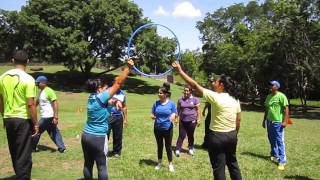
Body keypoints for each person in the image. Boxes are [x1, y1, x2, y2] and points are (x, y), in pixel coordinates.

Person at [172, 62, 242, 180]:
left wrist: (180, 71)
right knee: (233, 164)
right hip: (232, 136)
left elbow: (194, 85)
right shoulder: (235, 100)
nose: (213, 82)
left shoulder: (215, 96)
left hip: (217, 137)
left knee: (218, 168)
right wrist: (234, 134)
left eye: (216, 81)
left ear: (221, 85)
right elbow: (238, 120)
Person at [81, 59, 133, 180]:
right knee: (102, 166)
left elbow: (107, 102)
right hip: (98, 137)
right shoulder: (101, 96)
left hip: (86, 135)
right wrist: (128, 68)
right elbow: (118, 83)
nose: (106, 89)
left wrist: (115, 102)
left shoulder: (92, 98)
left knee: (88, 164)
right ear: (99, 89)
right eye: (104, 88)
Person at [0, 50, 39, 179]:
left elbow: (0, 100)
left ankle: (19, 175)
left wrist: (4, 115)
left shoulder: (3, 77)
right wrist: (36, 123)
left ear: (12, 61)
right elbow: (31, 105)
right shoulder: (28, 79)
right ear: (27, 62)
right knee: (24, 153)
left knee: (14, 151)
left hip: (8, 118)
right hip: (22, 120)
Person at [32, 75, 66, 153]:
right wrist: (32, 107)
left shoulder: (49, 91)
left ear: (44, 83)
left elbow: (55, 103)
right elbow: (37, 101)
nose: (37, 84)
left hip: (47, 116)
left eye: (38, 83)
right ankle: (62, 148)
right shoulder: (41, 92)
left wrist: (56, 117)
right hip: (47, 116)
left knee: (37, 130)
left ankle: (32, 147)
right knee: (54, 132)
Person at [262, 80, 290, 171]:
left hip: (278, 122)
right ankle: (274, 155)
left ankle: (282, 161)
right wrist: (264, 120)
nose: (270, 86)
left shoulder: (281, 96)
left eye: (272, 85)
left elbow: (286, 109)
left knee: (279, 141)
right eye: (270, 85)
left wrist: (285, 121)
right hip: (269, 122)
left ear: (277, 87)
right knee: (271, 139)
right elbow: (267, 109)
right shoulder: (268, 96)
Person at [151, 82, 177, 172]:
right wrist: (152, 116)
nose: (159, 94)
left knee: (168, 146)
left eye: (161, 93)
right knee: (159, 146)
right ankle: (159, 162)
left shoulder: (171, 104)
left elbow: (174, 113)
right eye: (158, 93)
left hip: (168, 128)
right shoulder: (156, 103)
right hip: (157, 128)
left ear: (165, 94)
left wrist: (173, 116)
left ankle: (170, 164)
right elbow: (152, 113)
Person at [175, 84, 200, 157]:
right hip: (182, 120)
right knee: (181, 135)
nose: (185, 92)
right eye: (184, 90)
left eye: (187, 91)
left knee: (190, 135)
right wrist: (176, 118)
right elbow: (178, 109)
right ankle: (178, 149)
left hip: (192, 120)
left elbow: (198, 110)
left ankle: (191, 148)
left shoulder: (195, 99)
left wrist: (198, 119)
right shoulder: (180, 99)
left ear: (190, 92)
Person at [107, 88, 127, 158]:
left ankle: (117, 151)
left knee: (118, 135)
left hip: (118, 117)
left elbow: (124, 106)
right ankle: (103, 150)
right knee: (105, 134)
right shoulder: (108, 92)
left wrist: (125, 119)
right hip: (108, 116)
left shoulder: (122, 94)